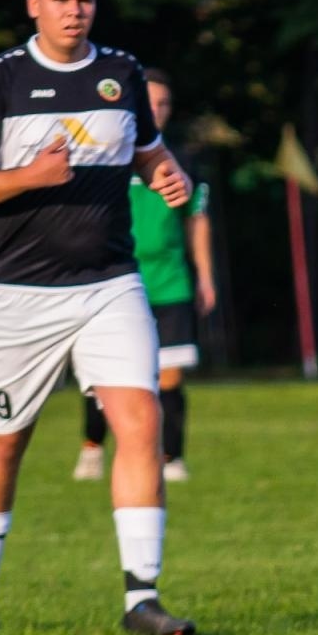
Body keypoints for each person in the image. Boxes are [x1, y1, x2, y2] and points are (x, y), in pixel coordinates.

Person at [0, 0, 196, 635]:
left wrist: (164, 172)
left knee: (140, 421)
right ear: (34, 4)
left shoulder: (120, 73)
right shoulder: (2, 79)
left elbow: (147, 151)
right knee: (6, 439)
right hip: (17, 295)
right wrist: (29, 177)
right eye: (60, 0)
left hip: (109, 285)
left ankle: (141, 599)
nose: (74, 11)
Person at [75, 68, 216, 483]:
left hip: (168, 280)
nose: (155, 110)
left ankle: (172, 458)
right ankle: (92, 446)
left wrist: (205, 276)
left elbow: (198, 220)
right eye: (149, 102)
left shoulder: (183, 162)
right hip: (114, 280)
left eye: (163, 103)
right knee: (104, 377)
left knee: (169, 376)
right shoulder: (109, 154)